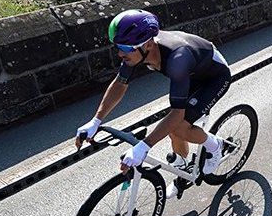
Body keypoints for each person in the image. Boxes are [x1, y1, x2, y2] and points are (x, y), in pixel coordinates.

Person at [75, 10, 231, 196]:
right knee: (172, 127)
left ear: (148, 44)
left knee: (178, 126)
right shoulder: (137, 50)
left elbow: (177, 115)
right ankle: (182, 168)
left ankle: (216, 146)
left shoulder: (177, 60)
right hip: (191, 73)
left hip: (214, 78)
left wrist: (144, 146)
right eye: (118, 47)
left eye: (124, 48)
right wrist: (96, 121)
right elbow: (119, 83)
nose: (119, 53)